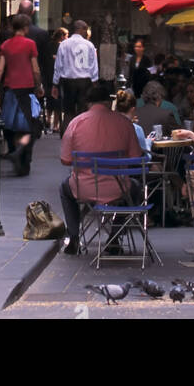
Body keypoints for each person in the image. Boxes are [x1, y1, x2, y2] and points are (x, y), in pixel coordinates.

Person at [59, 80, 143, 256]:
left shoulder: (75, 123)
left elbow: (65, 159)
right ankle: (115, 236)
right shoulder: (124, 123)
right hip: (119, 188)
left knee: (64, 189)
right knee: (135, 189)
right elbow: (136, 158)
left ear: (88, 103)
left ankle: (74, 236)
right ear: (108, 102)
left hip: (84, 187)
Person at [0, 14, 43, 176]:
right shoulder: (30, 44)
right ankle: (20, 153)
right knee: (31, 126)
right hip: (26, 89)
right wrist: (39, 85)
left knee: (10, 124)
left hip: (10, 89)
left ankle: (15, 153)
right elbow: (35, 68)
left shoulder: (6, 45)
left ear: (13, 28)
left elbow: (0, 69)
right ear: (26, 28)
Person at [51, 19, 99, 134]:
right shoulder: (89, 45)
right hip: (85, 80)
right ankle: (82, 132)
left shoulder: (64, 44)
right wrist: (94, 81)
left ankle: (67, 133)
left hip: (68, 80)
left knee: (68, 110)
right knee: (83, 108)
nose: (87, 32)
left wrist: (55, 83)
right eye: (86, 29)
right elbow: (93, 65)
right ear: (81, 29)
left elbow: (59, 65)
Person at [114, 88, 152, 156]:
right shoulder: (137, 129)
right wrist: (148, 142)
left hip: (111, 164)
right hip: (132, 165)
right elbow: (145, 158)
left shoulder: (109, 127)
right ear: (133, 109)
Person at [46, 28, 68, 133]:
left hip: (48, 75)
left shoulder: (49, 45)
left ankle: (47, 119)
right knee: (57, 102)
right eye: (66, 35)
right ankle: (55, 125)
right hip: (58, 77)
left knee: (49, 99)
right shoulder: (62, 46)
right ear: (62, 36)